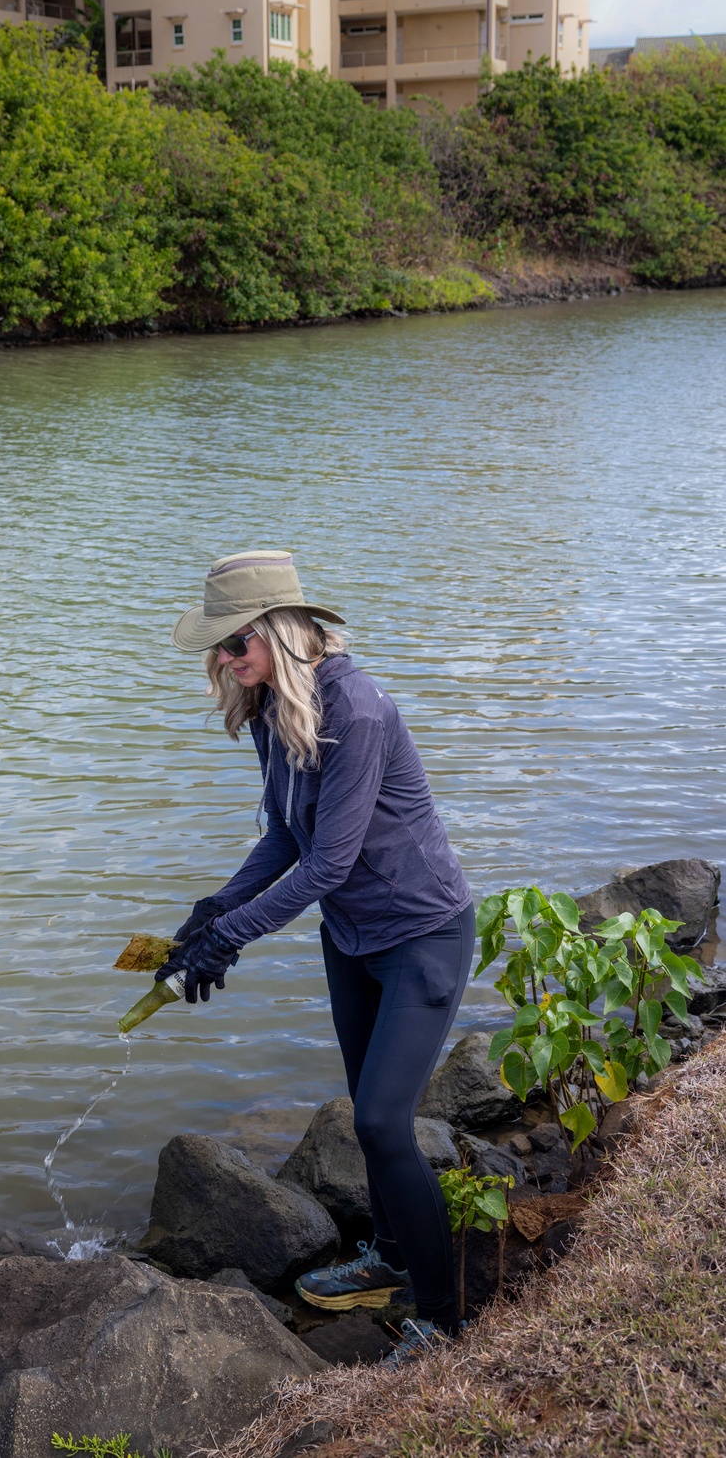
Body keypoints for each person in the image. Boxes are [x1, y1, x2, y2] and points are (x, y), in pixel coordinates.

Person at [155, 550, 475, 1367]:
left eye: (235, 644)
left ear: (276, 629)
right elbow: (282, 839)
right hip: (352, 939)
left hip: (422, 937)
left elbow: (328, 862)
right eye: (220, 650)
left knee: (381, 1119)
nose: (226, 662)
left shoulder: (358, 710)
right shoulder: (273, 708)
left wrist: (231, 939)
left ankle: (446, 1323)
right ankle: (392, 1262)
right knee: (367, 1112)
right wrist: (213, 909)